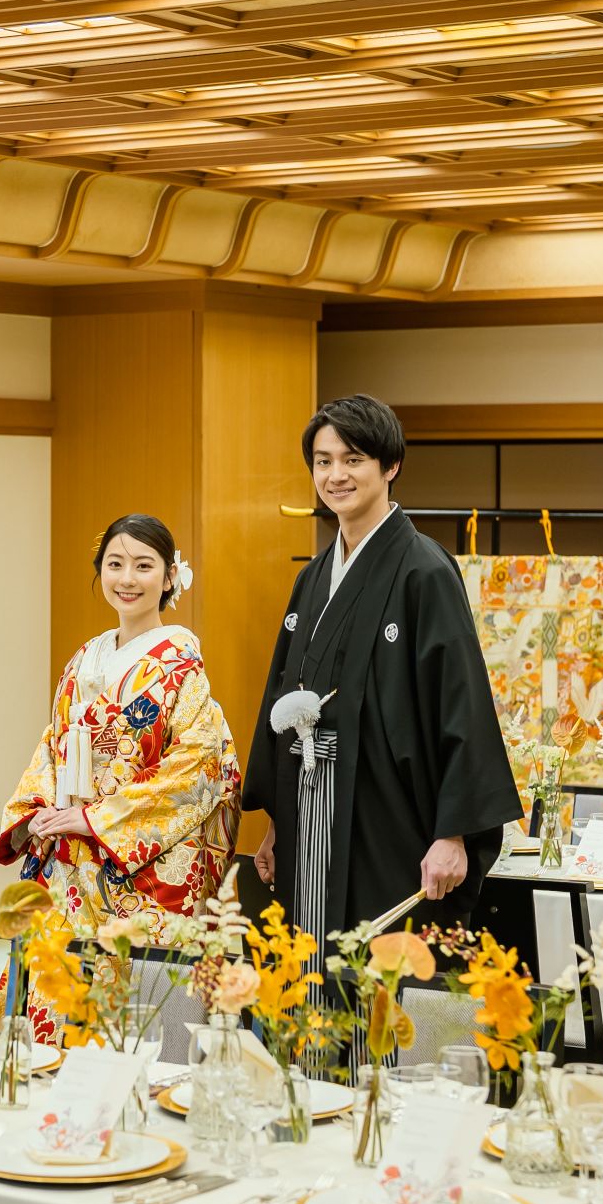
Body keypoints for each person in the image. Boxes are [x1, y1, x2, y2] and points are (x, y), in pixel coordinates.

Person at [244, 394, 519, 941]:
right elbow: (283, 697)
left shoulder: (424, 570)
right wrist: (278, 821)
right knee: (311, 973)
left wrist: (455, 834)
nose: (336, 475)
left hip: (389, 819)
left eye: (353, 459)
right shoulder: (313, 577)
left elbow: (460, 705)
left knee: (383, 984)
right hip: (311, 811)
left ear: (390, 466)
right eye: (323, 462)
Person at [0, 513, 242, 934]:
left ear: (169, 578)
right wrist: (39, 812)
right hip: (69, 859)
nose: (127, 578)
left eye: (144, 565)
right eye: (115, 564)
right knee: (61, 983)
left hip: (137, 868)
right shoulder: (84, 657)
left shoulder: (181, 666)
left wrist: (97, 819)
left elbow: (199, 766)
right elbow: (51, 748)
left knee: (135, 991)